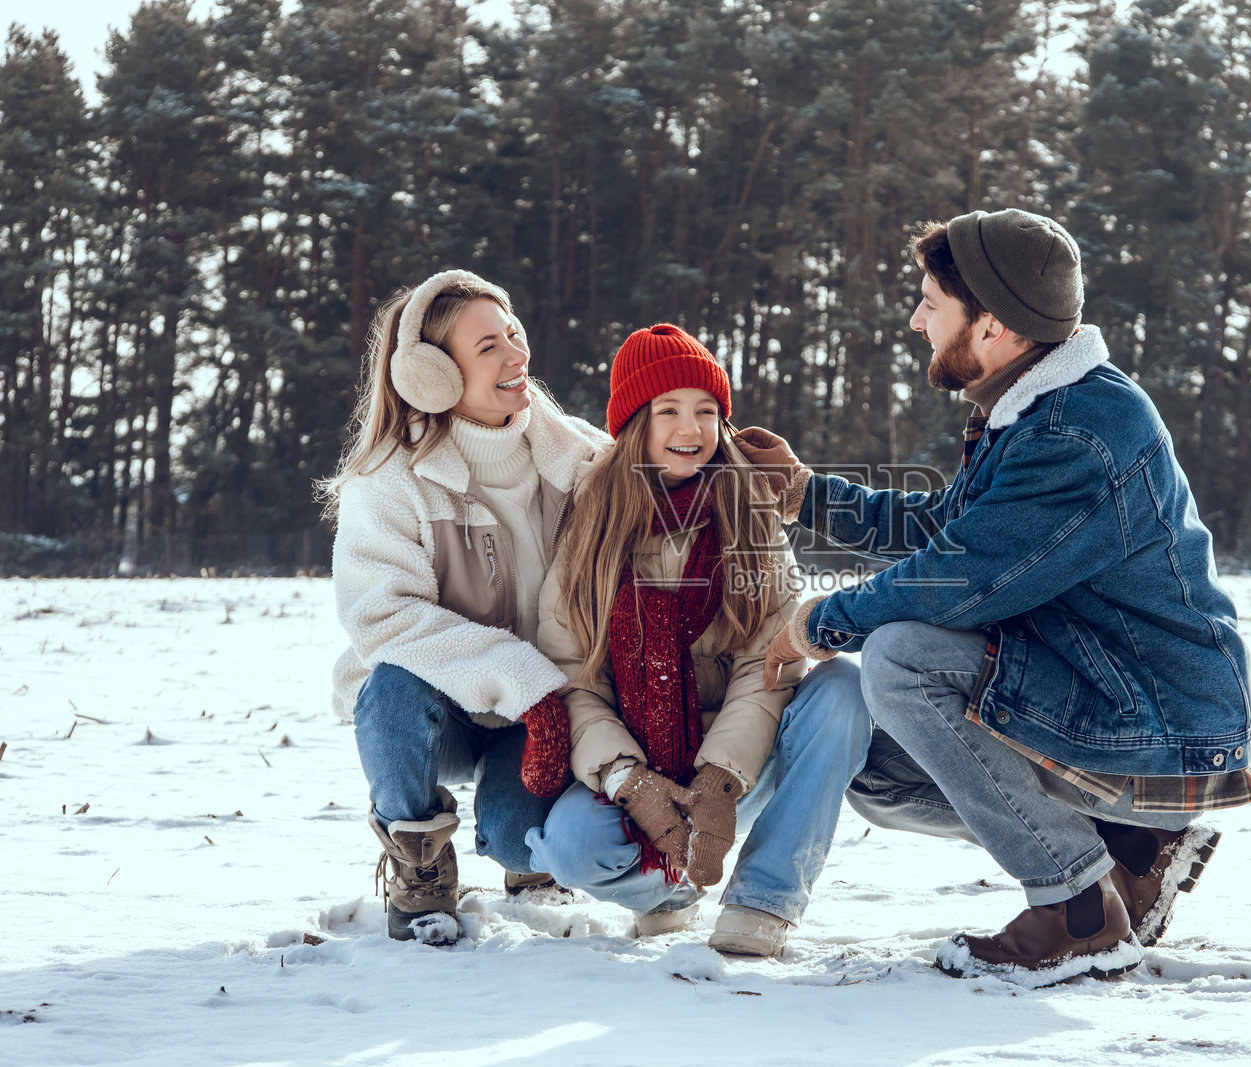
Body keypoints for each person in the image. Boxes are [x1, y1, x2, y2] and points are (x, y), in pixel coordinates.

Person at [739, 209, 1251, 985]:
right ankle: (1128, 850)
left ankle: (1080, 913)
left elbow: (956, 578)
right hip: (1103, 696)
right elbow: (949, 526)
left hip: (1154, 720)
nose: (916, 319)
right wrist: (809, 496)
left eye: (931, 304)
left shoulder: (1075, 436)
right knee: (878, 769)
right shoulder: (1036, 406)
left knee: (900, 658)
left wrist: (819, 621)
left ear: (995, 327)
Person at [527, 324, 872, 957]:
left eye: (707, 411)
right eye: (669, 411)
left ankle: (762, 900)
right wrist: (629, 779)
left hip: (740, 755)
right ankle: (669, 892)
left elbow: (766, 662)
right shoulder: (589, 525)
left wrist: (719, 779)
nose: (692, 428)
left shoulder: (749, 512)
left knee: (843, 688)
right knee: (574, 847)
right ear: (635, 423)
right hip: (636, 753)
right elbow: (572, 674)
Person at [323, 269, 609, 945]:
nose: (517, 356)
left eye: (514, 334)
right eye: (489, 347)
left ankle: (522, 858)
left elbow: (666, 500)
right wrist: (519, 676)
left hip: (542, 713)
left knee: (518, 841)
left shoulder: (579, 457)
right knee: (388, 682)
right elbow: (383, 618)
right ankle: (418, 858)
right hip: (439, 711)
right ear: (433, 376)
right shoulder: (390, 482)